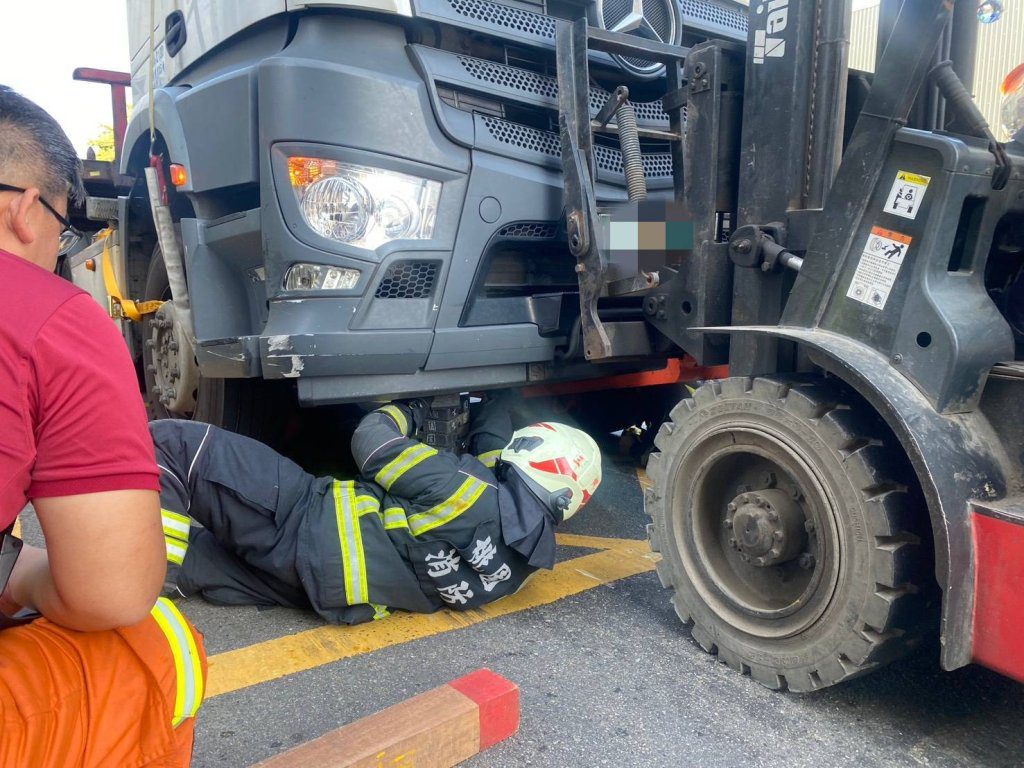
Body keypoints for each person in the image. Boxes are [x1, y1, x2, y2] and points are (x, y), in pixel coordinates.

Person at [0, 86, 206, 767]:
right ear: (26, 209)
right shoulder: (47, 315)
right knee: (154, 645)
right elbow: (111, 592)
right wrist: (20, 578)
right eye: (63, 229)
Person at [152, 400, 602, 623]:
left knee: (173, 445)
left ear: (537, 454)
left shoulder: (461, 488)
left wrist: (406, 410)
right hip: (330, 595)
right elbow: (492, 456)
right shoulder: (523, 565)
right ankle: (149, 572)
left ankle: (143, 594)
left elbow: (372, 444)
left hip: (304, 523)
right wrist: (498, 399)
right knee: (192, 558)